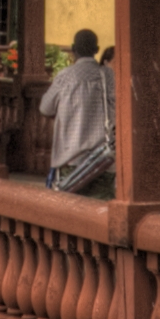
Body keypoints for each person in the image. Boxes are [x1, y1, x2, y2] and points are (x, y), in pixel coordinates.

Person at [42, 29, 114, 195]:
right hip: (103, 161)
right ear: (97, 50)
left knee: (70, 213)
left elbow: (45, 108)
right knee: (100, 213)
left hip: (71, 161)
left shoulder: (64, 76)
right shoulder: (109, 76)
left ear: (74, 49)